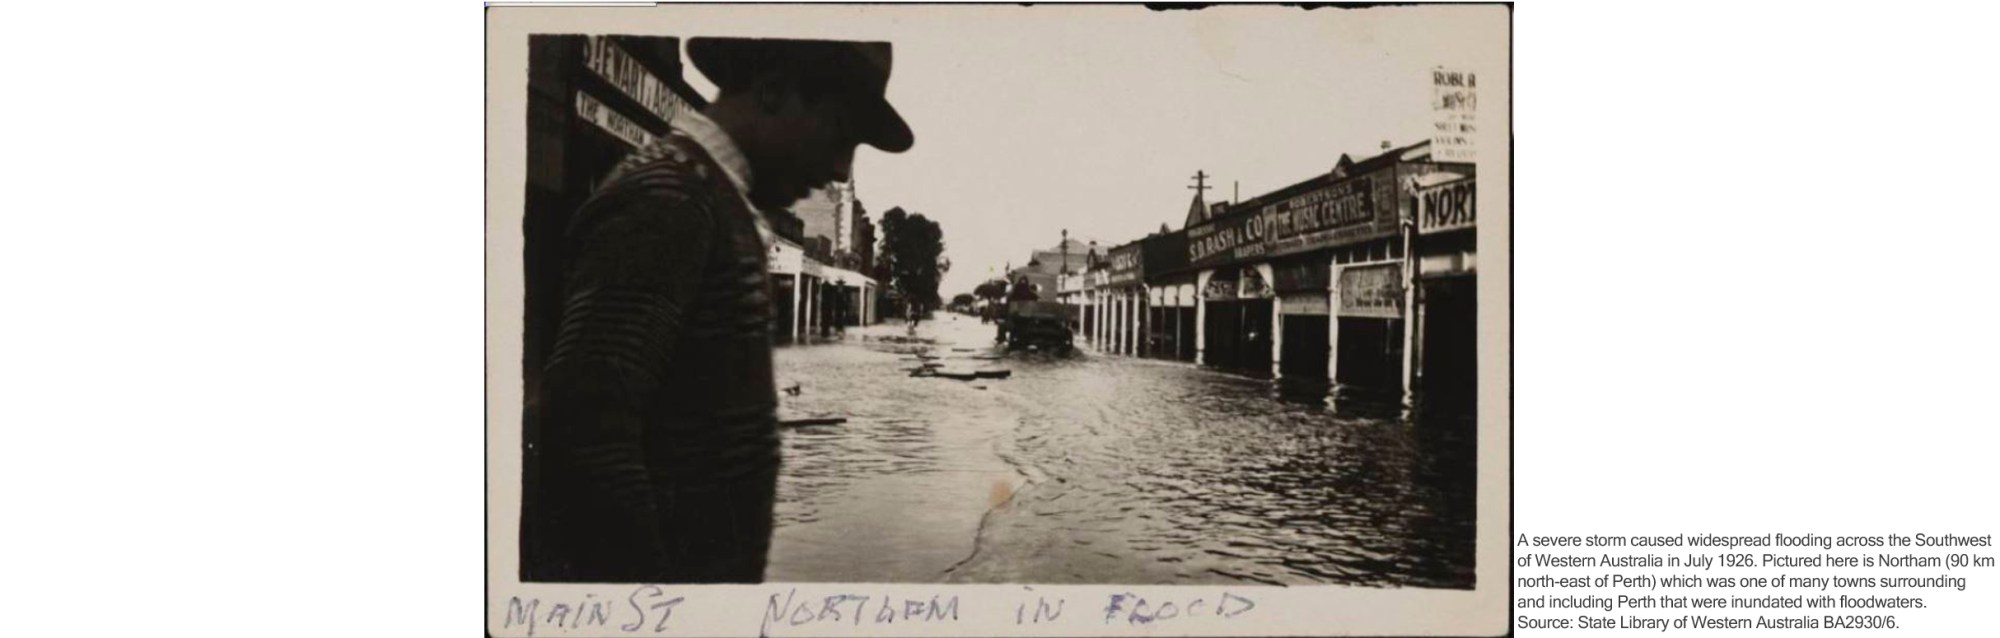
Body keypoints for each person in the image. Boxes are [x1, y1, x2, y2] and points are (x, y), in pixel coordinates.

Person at [523, 38, 914, 583]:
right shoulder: (672, 199)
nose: (838, 165)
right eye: (840, 133)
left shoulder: (710, 200)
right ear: (774, 92)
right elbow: (588, 437)